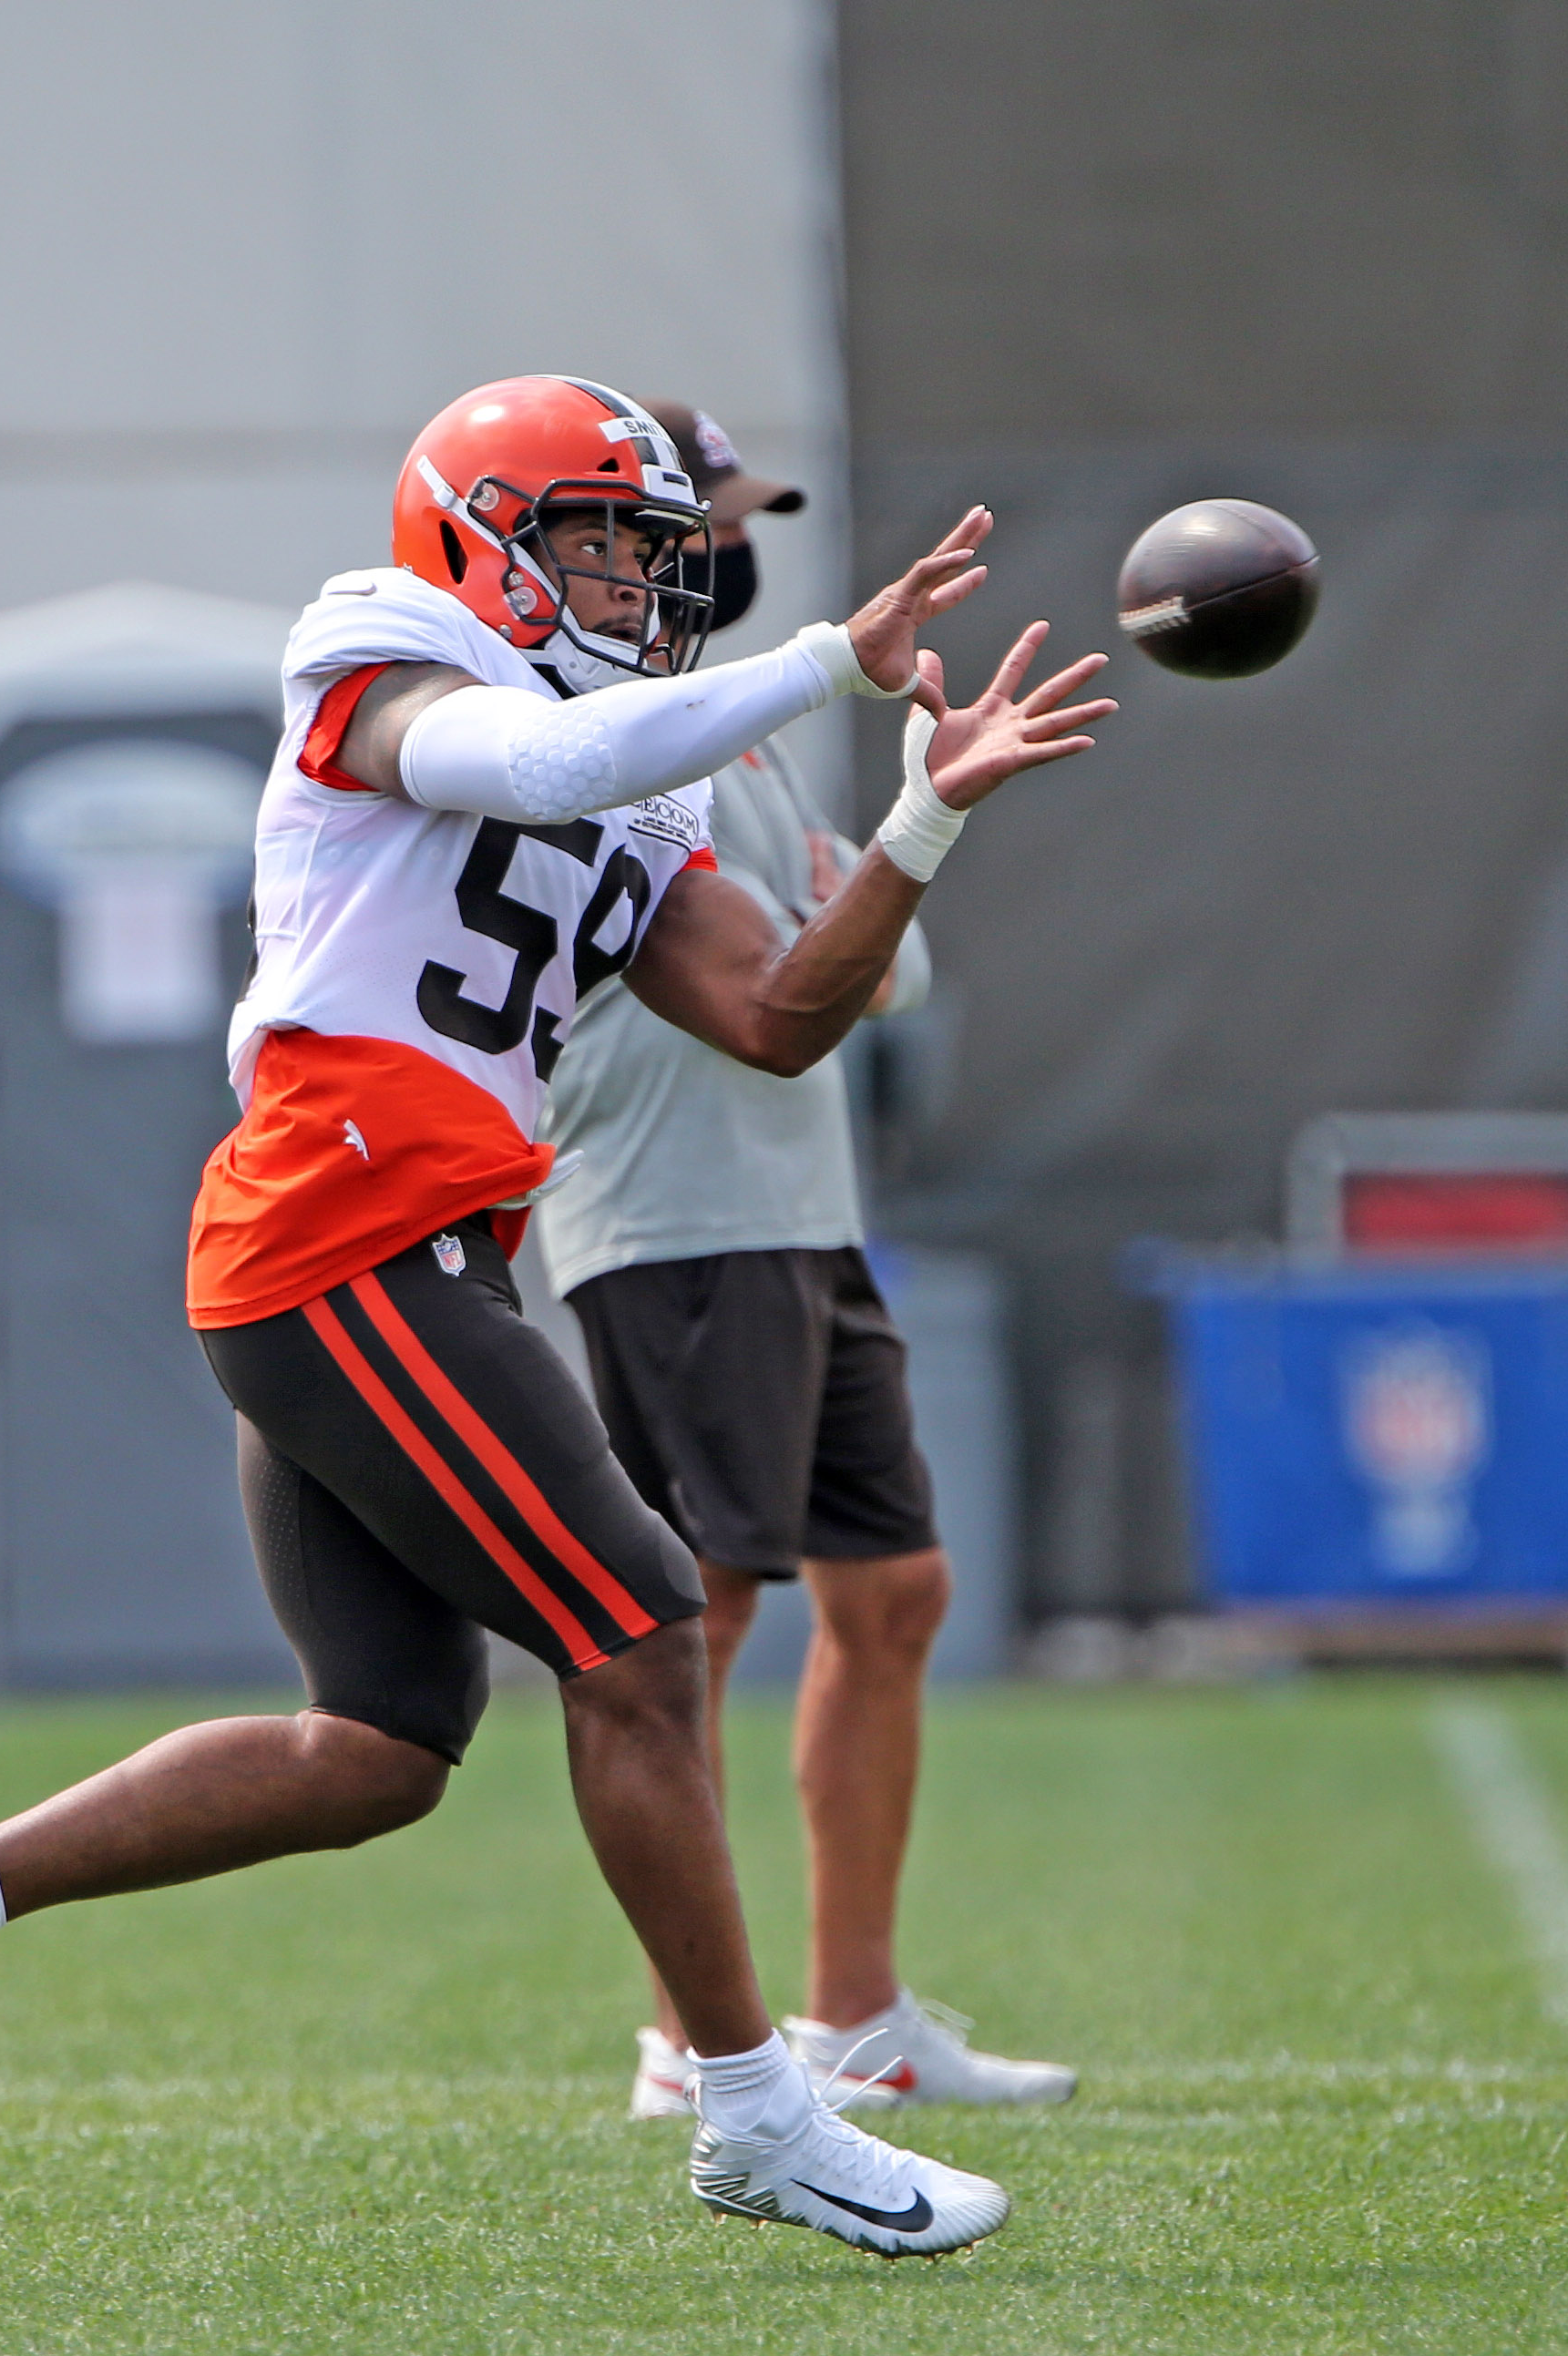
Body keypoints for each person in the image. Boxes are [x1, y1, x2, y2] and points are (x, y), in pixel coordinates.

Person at [0, 376, 1112, 2260]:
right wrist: (831, 659)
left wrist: (918, 822)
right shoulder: (377, 645)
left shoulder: (640, 763)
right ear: (477, 535)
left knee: (382, 1749)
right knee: (644, 1637)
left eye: (656, 553)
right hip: (345, 1224)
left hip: (416, 1247)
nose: (640, 582)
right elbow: (541, 770)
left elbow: (779, 1019)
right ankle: (755, 2111)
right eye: (596, 538)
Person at [538, 405, 1075, 2121]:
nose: (735, 545)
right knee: (698, 1617)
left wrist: (871, 897)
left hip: (798, 1210)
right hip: (677, 1215)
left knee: (894, 1590)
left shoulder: (751, 745)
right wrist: (862, 910)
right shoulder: (631, 732)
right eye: (708, 516)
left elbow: (869, 967)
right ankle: (691, 2045)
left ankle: (857, 2018)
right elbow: (798, 971)